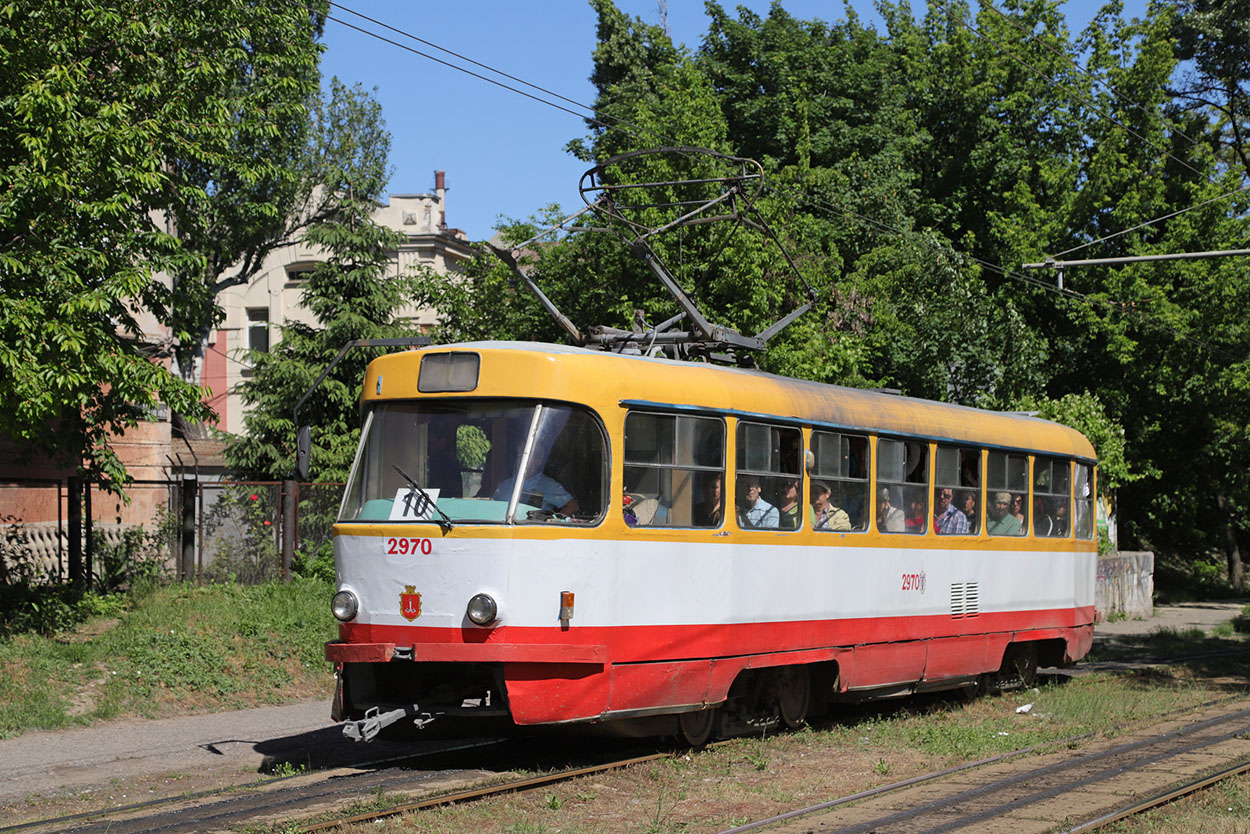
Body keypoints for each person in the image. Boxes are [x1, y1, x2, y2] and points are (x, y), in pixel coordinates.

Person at [493, 468, 578, 515]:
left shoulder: (548, 484)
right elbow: (494, 506)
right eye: (519, 454)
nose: (520, 458)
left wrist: (553, 522)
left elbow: (572, 506)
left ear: (539, 460)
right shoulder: (506, 484)